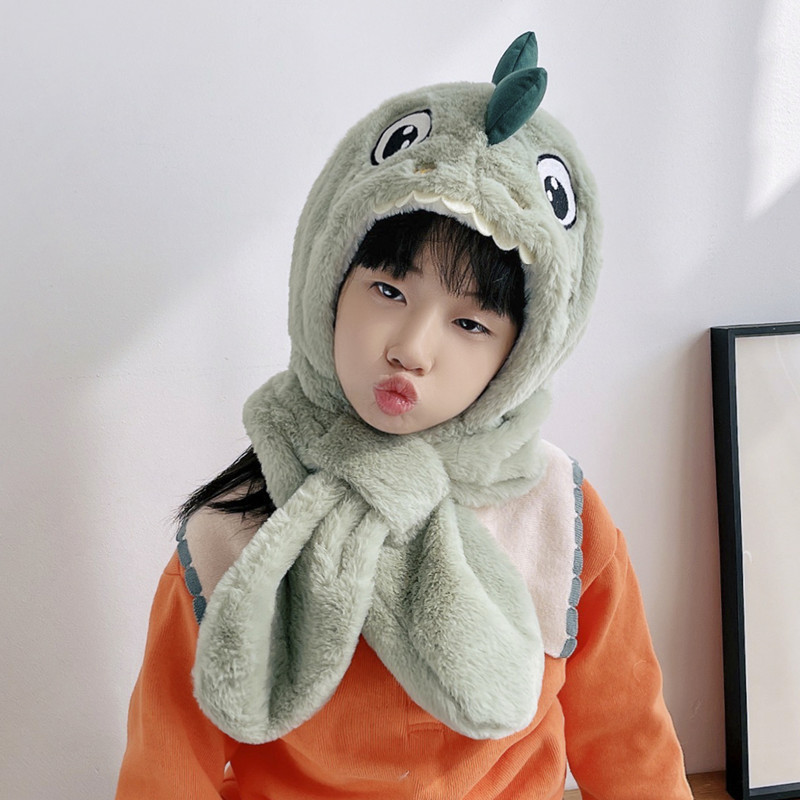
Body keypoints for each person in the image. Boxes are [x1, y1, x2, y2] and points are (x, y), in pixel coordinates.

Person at [116, 33, 693, 799]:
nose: (412, 349)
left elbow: (627, 740)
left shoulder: (558, 513)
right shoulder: (233, 534)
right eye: (388, 290)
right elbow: (165, 771)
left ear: (522, 354)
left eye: (471, 323)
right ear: (326, 280)